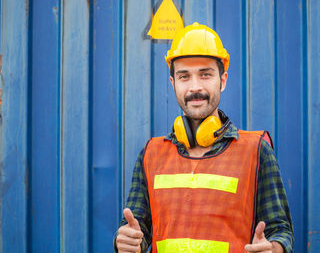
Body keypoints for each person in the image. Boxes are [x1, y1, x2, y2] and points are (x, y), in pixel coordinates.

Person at [114, 22, 294, 253]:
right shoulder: (150, 154)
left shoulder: (256, 151)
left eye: (205, 74)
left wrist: (274, 248)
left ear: (223, 80)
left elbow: (281, 230)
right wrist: (126, 242)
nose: (195, 87)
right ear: (173, 83)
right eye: (184, 76)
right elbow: (136, 231)